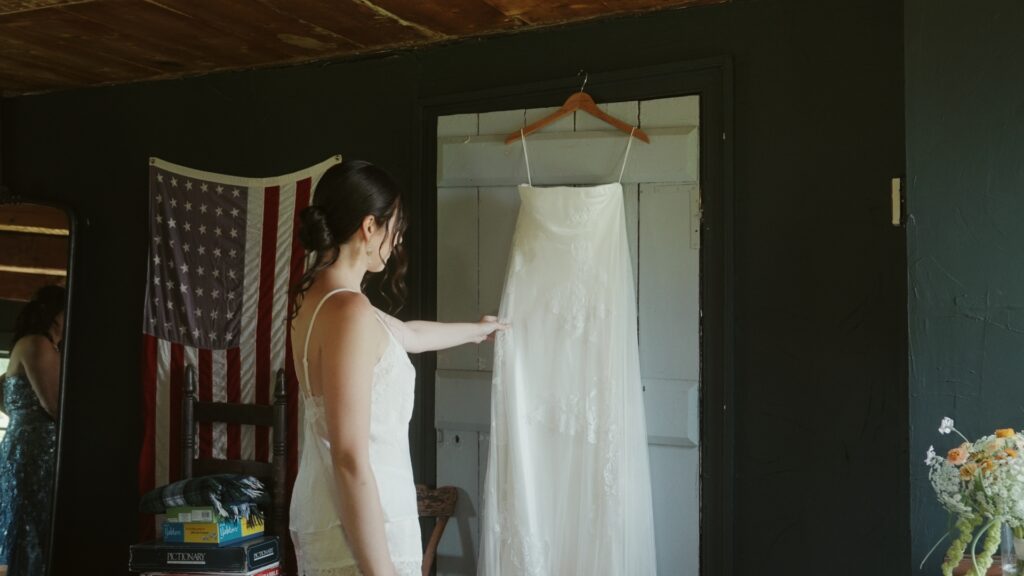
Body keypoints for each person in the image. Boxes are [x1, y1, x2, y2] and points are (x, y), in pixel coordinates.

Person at [289, 160, 504, 576]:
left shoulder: (319, 297)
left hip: (333, 515)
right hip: (362, 530)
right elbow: (350, 456)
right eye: (396, 225)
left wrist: (478, 331)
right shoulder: (348, 310)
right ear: (370, 227)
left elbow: (407, 334)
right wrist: (380, 570)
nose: (398, 237)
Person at [0, 284, 65, 576]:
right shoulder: (39, 344)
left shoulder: (23, 345)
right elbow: (54, 407)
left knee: (27, 523)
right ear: (56, 315)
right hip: (40, 451)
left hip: (20, 445)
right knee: (38, 526)